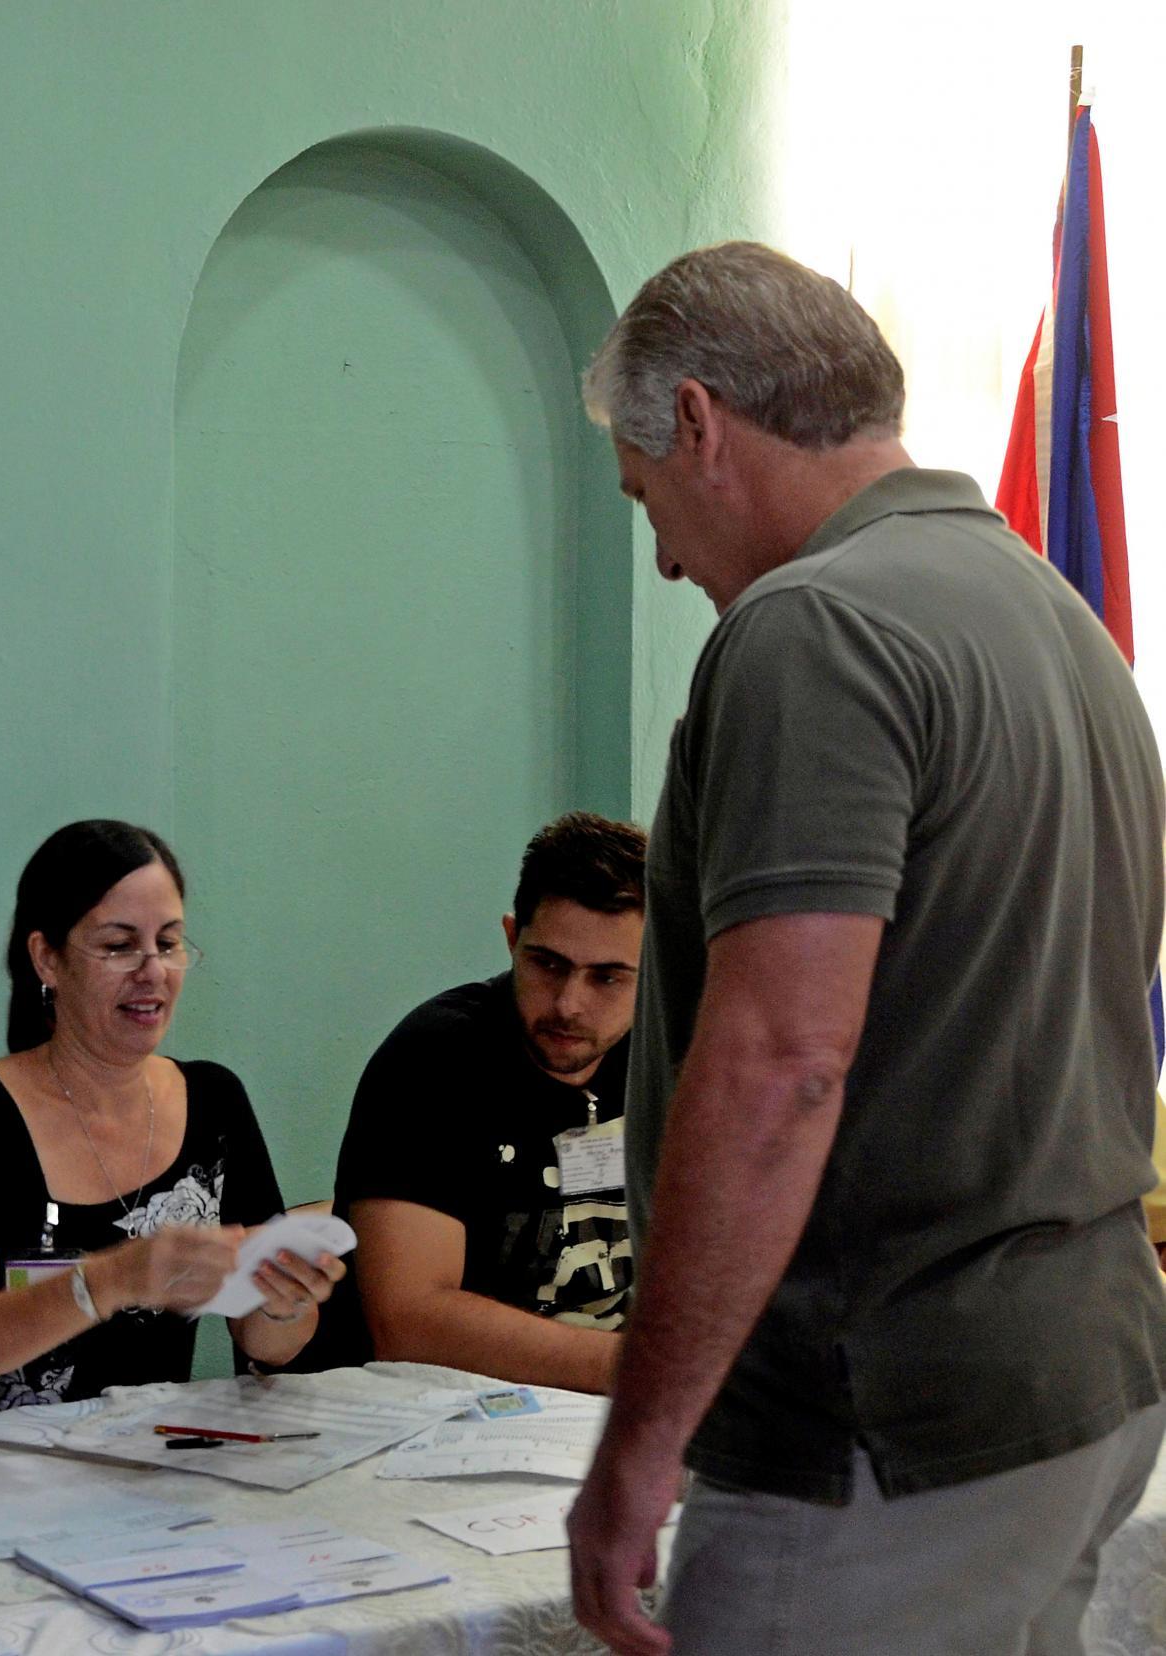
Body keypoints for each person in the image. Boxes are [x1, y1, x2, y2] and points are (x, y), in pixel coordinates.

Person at [564, 241, 1166, 1655]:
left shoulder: (814, 628)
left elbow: (780, 1063)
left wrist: (642, 1444)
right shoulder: (1058, 620)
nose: (661, 555)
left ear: (700, 422)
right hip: (1073, 1378)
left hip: (876, 1426)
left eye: (646, 497)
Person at [0, 819, 342, 1421]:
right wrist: (112, 1278)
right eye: (118, 945)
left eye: (168, 943)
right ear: (47, 958)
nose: (152, 971)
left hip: (136, 1466)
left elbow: (265, 1347)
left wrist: (286, 1301)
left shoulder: (215, 1098)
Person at [330, 812, 643, 1393]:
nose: (569, 1004)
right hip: (427, 1417)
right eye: (548, 964)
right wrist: (651, 1372)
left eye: (607, 978)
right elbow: (410, 1324)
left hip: (601, 1412)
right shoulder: (436, 1059)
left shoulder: (675, 1061)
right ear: (510, 938)